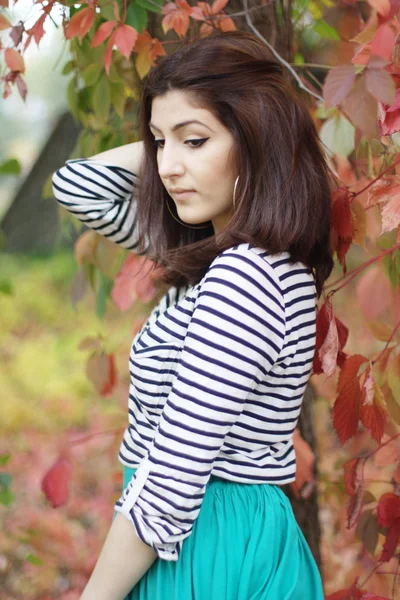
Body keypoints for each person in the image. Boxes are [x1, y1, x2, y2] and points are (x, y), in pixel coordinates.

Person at [52, 30, 333, 600]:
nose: (167, 166)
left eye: (195, 141)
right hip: (205, 533)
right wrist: (177, 130)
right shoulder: (227, 261)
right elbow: (77, 186)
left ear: (256, 139)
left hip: (201, 541)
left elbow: (171, 483)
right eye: (158, 144)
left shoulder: (244, 278)